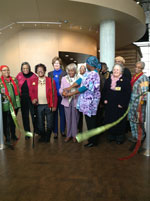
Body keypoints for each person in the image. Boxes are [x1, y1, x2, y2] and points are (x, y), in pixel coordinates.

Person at [63, 56, 101, 147]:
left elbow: (84, 88)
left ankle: (93, 141)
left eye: (86, 63)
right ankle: (92, 139)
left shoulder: (94, 74)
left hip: (91, 103)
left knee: (91, 122)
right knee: (88, 121)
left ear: (90, 64)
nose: (86, 64)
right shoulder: (89, 73)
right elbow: (80, 80)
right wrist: (70, 87)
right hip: (86, 103)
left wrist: (70, 94)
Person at [102, 64, 131, 144]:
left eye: (117, 70)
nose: (115, 71)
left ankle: (119, 137)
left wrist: (123, 103)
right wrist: (104, 99)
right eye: (114, 69)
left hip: (119, 106)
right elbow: (104, 91)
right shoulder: (108, 80)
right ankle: (111, 135)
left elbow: (127, 94)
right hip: (110, 105)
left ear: (121, 71)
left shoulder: (125, 81)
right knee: (110, 120)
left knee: (119, 121)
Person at [29, 64, 57, 143]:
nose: (40, 71)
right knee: (40, 123)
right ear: (36, 72)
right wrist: (32, 99)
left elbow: (54, 94)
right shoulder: (33, 81)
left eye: (41, 69)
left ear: (44, 70)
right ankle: (43, 136)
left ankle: (47, 137)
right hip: (38, 106)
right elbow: (31, 92)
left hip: (49, 105)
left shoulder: (51, 80)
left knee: (50, 123)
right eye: (38, 70)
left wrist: (54, 105)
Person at [128, 61, 149, 150]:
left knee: (138, 122)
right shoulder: (134, 76)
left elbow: (144, 93)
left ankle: (141, 139)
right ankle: (135, 137)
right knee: (132, 120)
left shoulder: (143, 78)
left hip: (138, 105)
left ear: (142, 69)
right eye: (136, 66)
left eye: (139, 67)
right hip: (132, 103)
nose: (137, 68)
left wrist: (140, 105)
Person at [0, 65, 21, 146]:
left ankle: (13, 135)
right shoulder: (0, 81)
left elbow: (18, 91)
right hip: (5, 106)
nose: (6, 72)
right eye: (4, 70)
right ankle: (7, 138)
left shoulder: (14, 79)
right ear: (1, 72)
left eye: (8, 70)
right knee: (6, 123)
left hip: (14, 105)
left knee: (13, 121)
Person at [16, 62, 37, 139]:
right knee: (25, 116)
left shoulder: (34, 76)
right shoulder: (19, 75)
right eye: (24, 68)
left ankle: (36, 131)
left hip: (32, 99)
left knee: (34, 115)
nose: (25, 70)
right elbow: (16, 86)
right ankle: (27, 133)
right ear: (21, 69)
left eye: (27, 68)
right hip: (23, 99)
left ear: (29, 68)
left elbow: (37, 88)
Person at [59, 63, 80, 142]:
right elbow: (61, 89)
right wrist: (62, 93)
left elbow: (81, 90)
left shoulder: (79, 78)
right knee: (68, 118)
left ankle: (75, 135)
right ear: (67, 71)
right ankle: (68, 135)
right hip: (66, 101)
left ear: (75, 71)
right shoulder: (64, 78)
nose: (71, 72)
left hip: (76, 100)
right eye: (69, 70)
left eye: (72, 70)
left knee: (75, 118)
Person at [48, 57, 66, 139]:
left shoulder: (64, 73)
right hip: (53, 98)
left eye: (58, 63)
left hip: (62, 97)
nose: (56, 65)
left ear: (60, 64)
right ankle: (55, 132)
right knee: (54, 115)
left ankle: (62, 130)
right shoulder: (50, 74)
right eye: (55, 63)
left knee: (62, 115)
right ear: (53, 64)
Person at [78, 64, 86, 132]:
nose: (82, 70)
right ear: (79, 69)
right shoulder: (77, 77)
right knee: (78, 113)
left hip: (84, 97)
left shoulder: (87, 76)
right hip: (77, 97)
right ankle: (78, 127)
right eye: (81, 68)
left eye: (84, 69)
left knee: (82, 113)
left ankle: (82, 128)